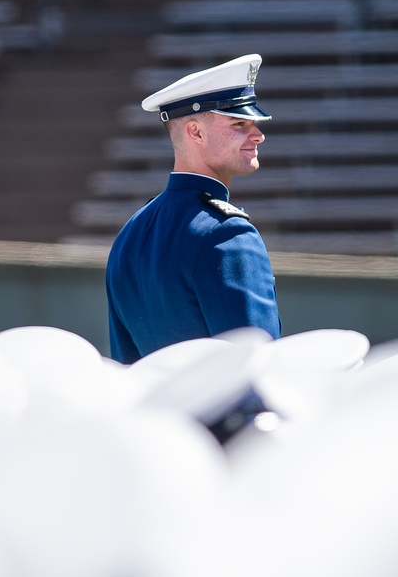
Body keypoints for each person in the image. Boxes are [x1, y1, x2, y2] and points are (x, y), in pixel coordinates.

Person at [105, 54, 282, 365]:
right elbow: (259, 369)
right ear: (195, 132)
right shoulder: (227, 233)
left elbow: (127, 368)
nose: (258, 134)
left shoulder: (129, 233)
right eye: (239, 123)